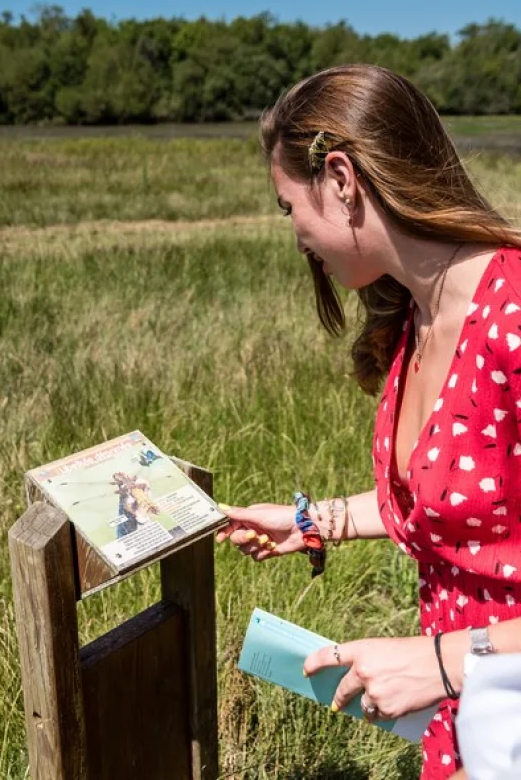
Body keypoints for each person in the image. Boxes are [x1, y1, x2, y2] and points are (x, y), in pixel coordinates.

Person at [216, 64, 521, 780]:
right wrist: (314, 519)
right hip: (480, 727)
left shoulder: (513, 316)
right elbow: (468, 506)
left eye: (289, 207)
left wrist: (444, 660)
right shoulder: (419, 315)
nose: (295, 236)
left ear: (343, 179)